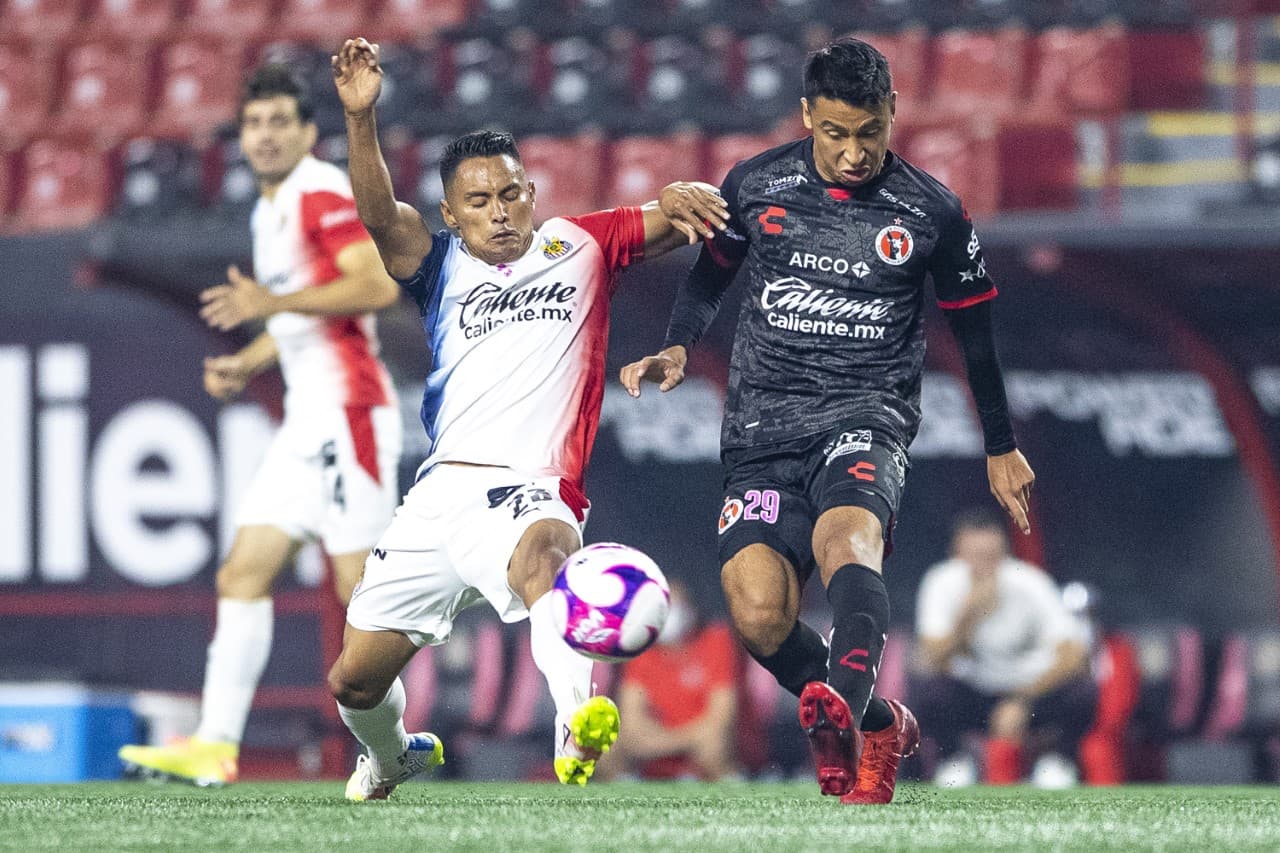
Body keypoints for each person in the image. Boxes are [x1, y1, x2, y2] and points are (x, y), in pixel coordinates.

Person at [620, 36, 1036, 805]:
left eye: (869, 132)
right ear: (808, 115)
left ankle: (840, 709)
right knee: (757, 611)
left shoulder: (933, 212)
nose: (853, 152)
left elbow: (976, 336)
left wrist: (1001, 444)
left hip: (865, 416)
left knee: (847, 540)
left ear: (892, 114)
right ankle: (880, 721)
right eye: (836, 133)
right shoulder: (755, 185)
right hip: (760, 430)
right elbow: (711, 275)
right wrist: (677, 347)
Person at [326, 37, 729, 801]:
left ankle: (574, 723)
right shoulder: (439, 264)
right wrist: (360, 117)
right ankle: (388, 757)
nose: (499, 213)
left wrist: (679, 196)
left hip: (532, 487)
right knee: (354, 678)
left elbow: (676, 218)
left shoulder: (579, 243)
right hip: (439, 496)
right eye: (478, 202)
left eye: (510, 194)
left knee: (547, 561)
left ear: (531, 192)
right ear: (451, 211)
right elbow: (380, 216)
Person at [117, 65, 403, 786]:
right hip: (308, 419)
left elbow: (372, 284)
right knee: (243, 570)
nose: (266, 135)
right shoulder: (270, 208)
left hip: (350, 413)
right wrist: (249, 359)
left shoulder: (318, 190)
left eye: (280, 121)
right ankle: (214, 745)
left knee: (361, 593)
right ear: (240, 138)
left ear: (308, 133)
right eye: (254, 123)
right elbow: (305, 311)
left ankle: (395, 745)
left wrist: (267, 310)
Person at [913, 510, 1094, 786]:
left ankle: (1056, 761)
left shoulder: (1030, 582)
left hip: (1029, 694)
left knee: (1081, 693)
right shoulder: (942, 582)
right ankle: (953, 761)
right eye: (974, 555)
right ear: (957, 553)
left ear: (1004, 552)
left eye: (991, 555)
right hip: (975, 693)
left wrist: (1021, 702)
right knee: (931, 692)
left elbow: (1073, 655)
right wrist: (968, 617)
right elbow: (932, 659)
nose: (983, 564)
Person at [613, 580, 740, 781]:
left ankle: (731, 798)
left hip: (699, 744)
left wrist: (670, 742)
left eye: (675, 606)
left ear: (691, 609)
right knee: (606, 743)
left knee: (715, 743)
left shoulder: (716, 639)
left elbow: (722, 717)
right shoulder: (641, 650)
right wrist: (675, 742)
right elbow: (631, 721)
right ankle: (624, 795)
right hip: (665, 742)